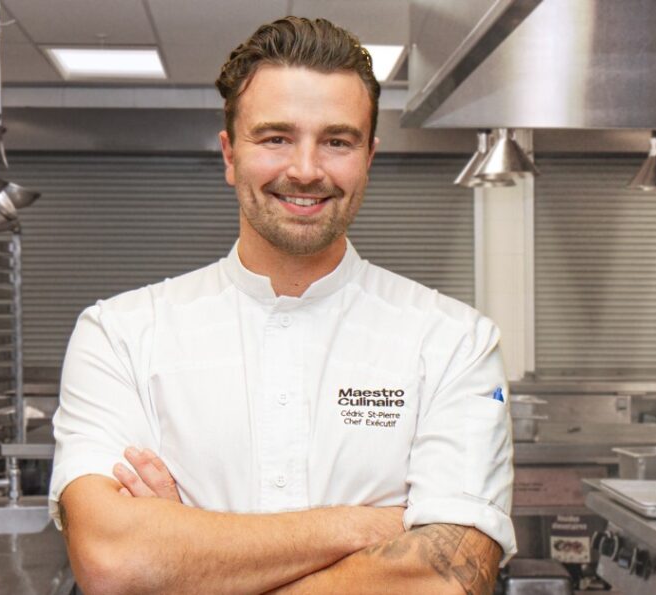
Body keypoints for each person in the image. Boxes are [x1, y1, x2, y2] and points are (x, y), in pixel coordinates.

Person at [50, 16, 515, 595]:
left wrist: (186, 558)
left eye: (337, 141)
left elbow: (450, 574)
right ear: (229, 154)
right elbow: (112, 559)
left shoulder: (454, 341)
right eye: (275, 138)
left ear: (369, 157)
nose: (306, 169)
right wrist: (372, 526)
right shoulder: (120, 335)